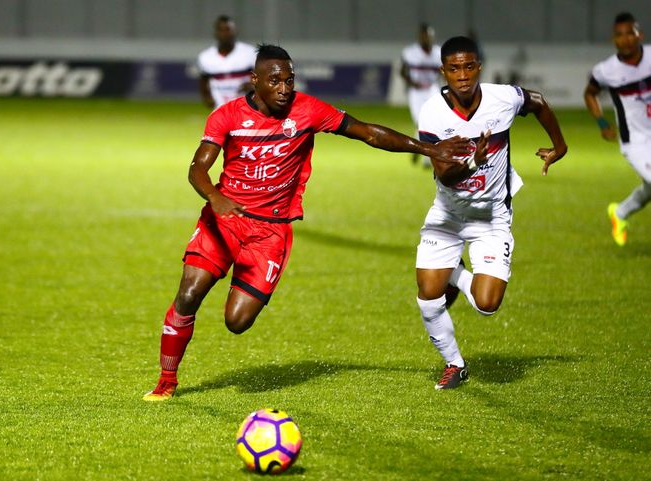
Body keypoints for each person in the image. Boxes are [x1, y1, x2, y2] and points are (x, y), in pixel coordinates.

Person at [144, 44, 471, 401]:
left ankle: (237, 290)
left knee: (237, 322)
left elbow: (367, 133)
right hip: (222, 220)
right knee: (189, 294)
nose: (285, 88)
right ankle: (166, 381)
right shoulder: (226, 116)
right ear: (255, 81)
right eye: (275, 81)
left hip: (270, 231)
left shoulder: (308, 110)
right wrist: (214, 196)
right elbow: (197, 169)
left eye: (289, 79)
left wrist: (427, 149)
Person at [415, 36, 567, 389]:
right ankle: (455, 364)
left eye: (469, 67)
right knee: (428, 299)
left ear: (479, 67)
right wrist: (473, 161)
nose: (463, 75)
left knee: (486, 305)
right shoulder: (432, 113)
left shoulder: (504, 98)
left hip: (492, 217)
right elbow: (444, 174)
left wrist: (560, 146)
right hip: (448, 216)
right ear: (444, 72)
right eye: (454, 69)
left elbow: (539, 103)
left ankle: (452, 270)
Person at [584, 12, 651, 247]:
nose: (624, 39)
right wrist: (602, 123)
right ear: (614, 40)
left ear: (639, 34)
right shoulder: (607, 70)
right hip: (635, 141)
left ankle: (620, 213)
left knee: (650, 187)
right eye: (619, 35)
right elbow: (590, 93)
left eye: (629, 33)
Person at [400, 23, 443, 167]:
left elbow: (444, 71)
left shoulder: (438, 52)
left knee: (432, 122)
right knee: (420, 122)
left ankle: (425, 158)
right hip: (416, 92)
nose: (426, 38)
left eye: (429, 36)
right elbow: (402, 71)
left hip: (432, 89)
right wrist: (412, 83)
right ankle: (418, 148)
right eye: (424, 35)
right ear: (420, 36)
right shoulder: (410, 52)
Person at [197, 15, 256, 109]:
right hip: (220, 109)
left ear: (235, 31)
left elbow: (262, 77)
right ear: (215, 33)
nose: (224, 33)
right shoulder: (205, 57)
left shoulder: (250, 53)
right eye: (221, 30)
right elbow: (203, 81)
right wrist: (206, 97)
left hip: (246, 108)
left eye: (228, 29)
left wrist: (253, 86)